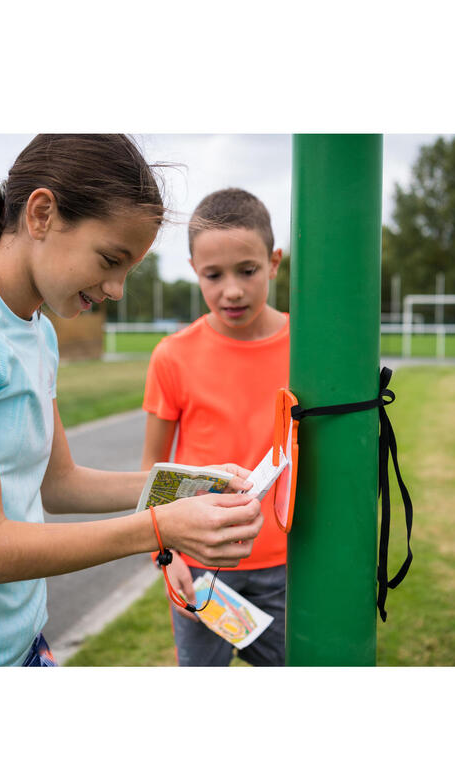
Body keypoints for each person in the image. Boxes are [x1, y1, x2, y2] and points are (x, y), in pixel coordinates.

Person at [0, 135, 263, 667]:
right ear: (42, 213)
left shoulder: (37, 332)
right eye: (111, 259)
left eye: (128, 271)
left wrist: (196, 483)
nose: (116, 290)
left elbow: (60, 484)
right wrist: (160, 528)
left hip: (18, 645)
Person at [141, 187, 288, 666]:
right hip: (201, 565)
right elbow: (153, 473)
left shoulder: (307, 349)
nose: (232, 290)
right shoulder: (172, 356)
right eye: (213, 274)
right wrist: (167, 555)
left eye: (248, 270)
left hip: (288, 565)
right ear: (193, 271)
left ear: (274, 262)